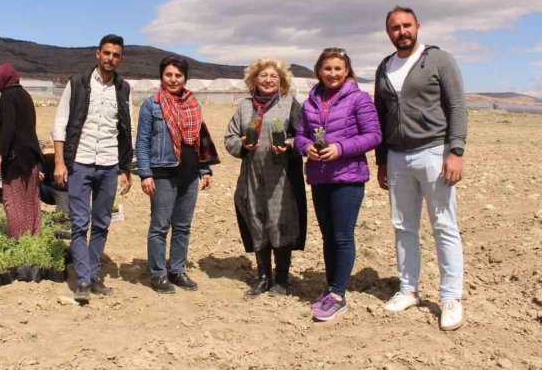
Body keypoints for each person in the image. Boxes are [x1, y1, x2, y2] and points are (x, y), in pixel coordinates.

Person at [374, 6, 467, 331]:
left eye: (406, 25)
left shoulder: (439, 60)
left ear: (417, 26)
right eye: (395, 27)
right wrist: (382, 160)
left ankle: (450, 298)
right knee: (402, 225)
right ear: (389, 32)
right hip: (398, 156)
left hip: (434, 152)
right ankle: (408, 288)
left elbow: (456, 105)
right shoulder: (385, 67)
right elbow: (381, 113)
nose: (402, 31)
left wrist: (455, 151)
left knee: (443, 224)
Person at [294, 48, 382, 321]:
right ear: (319, 70)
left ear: (347, 71)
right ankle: (330, 287)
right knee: (327, 236)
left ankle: (338, 295)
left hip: (348, 177)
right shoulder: (310, 101)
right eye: (327, 68)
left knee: (342, 236)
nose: (332, 73)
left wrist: (340, 148)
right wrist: (307, 147)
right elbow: (299, 135)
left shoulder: (359, 99)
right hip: (320, 176)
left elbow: (374, 135)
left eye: (338, 69)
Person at [52, 34, 133, 304]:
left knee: (101, 223)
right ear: (97, 54)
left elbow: (125, 130)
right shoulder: (77, 84)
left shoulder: (124, 89)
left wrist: (125, 168)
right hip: (81, 164)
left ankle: (94, 274)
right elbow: (61, 124)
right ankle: (83, 278)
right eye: (107, 53)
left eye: (116, 55)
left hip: (109, 166)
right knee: (79, 223)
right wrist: (60, 162)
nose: (111, 59)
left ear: (120, 58)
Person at [224, 58, 307, 297]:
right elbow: (230, 137)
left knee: (280, 223)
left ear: (281, 80)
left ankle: (281, 278)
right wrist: (241, 145)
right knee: (257, 222)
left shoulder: (290, 104)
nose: (268, 80)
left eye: (273, 76)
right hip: (252, 176)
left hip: (282, 177)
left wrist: (290, 144)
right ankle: (262, 277)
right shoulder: (244, 107)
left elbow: (304, 135)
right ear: (254, 80)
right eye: (263, 76)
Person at [136, 56, 215, 294]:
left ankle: (177, 270)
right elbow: (142, 141)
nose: (173, 79)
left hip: (189, 172)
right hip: (162, 173)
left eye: (178, 75)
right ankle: (158, 273)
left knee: (183, 226)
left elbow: (200, 139)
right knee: (160, 226)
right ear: (162, 76)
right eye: (169, 75)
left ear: (185, 78)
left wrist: (205, 168)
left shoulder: (192, 103)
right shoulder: (152, 104)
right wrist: (145, 173)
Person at [0, 62, 45, 238]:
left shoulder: (7, 97)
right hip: (30, 158)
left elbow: (9, 127)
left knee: (13, 202)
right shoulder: (24, 94)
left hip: (16, 160)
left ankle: (17, 241)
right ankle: (33, 238)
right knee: (30, 201)